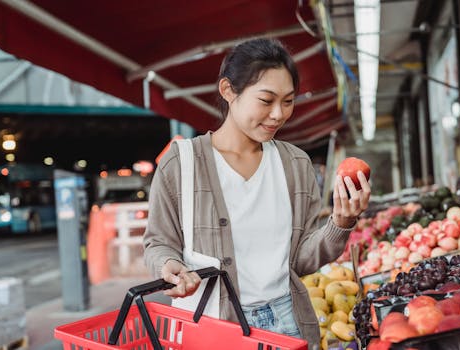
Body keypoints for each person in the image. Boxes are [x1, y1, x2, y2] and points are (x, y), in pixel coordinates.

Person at [143, 38, 370, 348]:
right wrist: (168, 265)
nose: (278, 114)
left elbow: (300, 260)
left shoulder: (295, 165)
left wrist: (341, 222)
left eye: (288, 101)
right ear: (228, 91)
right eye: (266, 100)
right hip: (211, 327)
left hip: (286, 323)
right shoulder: (181, 163)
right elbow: (158, 242)